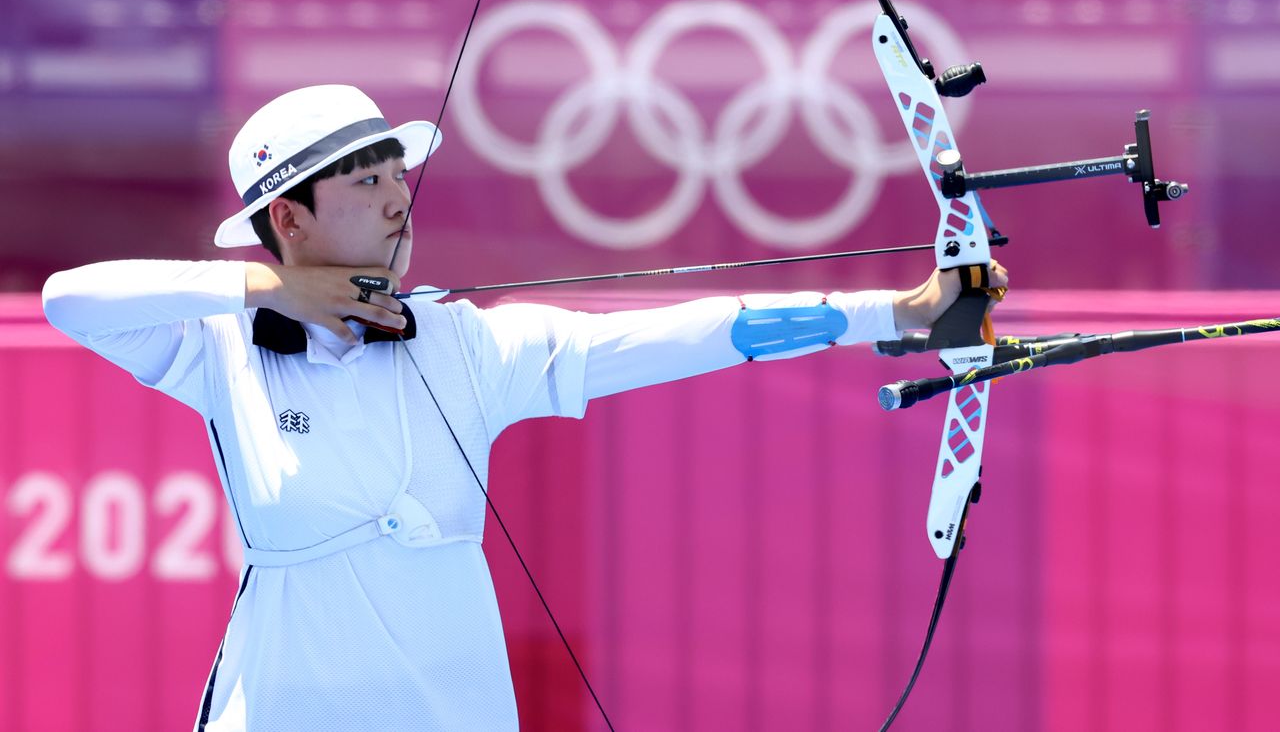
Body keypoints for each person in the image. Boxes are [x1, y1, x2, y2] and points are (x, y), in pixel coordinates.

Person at [42, 84, 1008, 731]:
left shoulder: (470, 345)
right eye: (367, 180)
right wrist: (265, 294)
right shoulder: (219, 347)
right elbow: (69, 298)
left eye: (398, 176)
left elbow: (702, 331)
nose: (396, 201)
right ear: (287, 219)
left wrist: (901, 311)